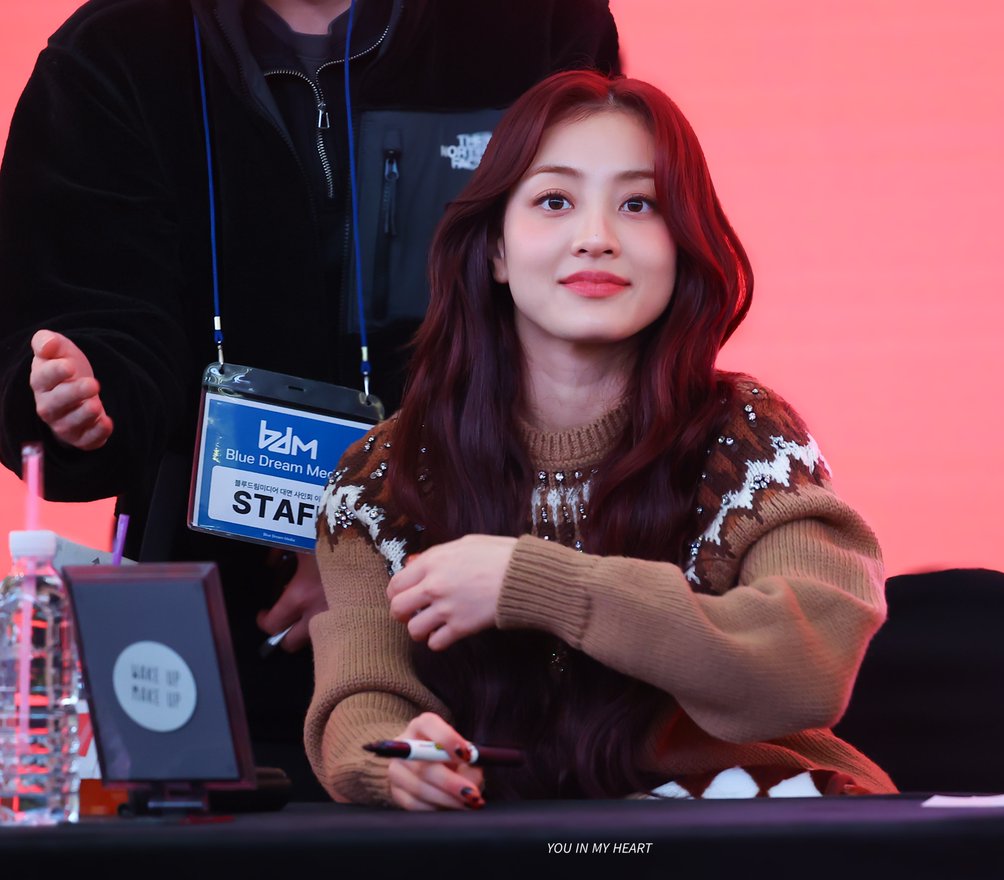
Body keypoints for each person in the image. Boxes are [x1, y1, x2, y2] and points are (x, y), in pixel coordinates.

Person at [0, 0, 620, 800]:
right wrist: (77, 399)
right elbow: (88, 313)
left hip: (499, 645)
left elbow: (590, 321)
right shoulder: (112, 51)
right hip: (221, 653)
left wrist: (372, 544)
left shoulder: (534, 23)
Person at [305, 69, 896, 808]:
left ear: (681, 246)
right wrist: (396, 762)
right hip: (519, 840)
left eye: (638, 204)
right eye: (555, 201)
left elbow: (806, 670)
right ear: (494, 250)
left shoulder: (748, 437)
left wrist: (534, 583)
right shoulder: (380, 477)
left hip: (751, 824)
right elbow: (361, 697)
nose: (596, 239)